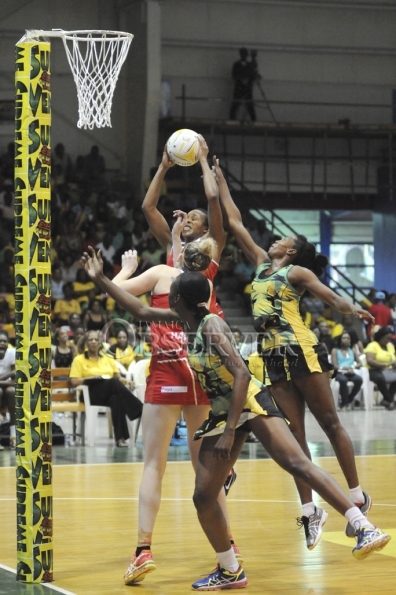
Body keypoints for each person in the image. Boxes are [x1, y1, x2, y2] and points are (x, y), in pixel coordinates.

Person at [80, 251, 391, 589]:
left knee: (297, 463)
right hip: (224, 410)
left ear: (180, 297)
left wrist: (230, 431)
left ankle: (362, 526)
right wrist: (100, 280)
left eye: (172, 291)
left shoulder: (211, 324)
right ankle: (229, 568)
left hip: (250, 404)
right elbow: (138, 309)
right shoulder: (185, 319)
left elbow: (241, 374)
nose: (167, 293)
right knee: (203, 495)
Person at [212, 158, 375, 549]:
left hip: (301, 350)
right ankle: (310, 511)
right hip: (272, 357)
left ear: (292, 249)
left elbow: (332, 297)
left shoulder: (296, 273)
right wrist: (218, 183)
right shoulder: (260, 264)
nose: (272, 241)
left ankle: (356, 495)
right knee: (296, 436)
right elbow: (235, 223)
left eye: (281, 241)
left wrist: (354, 310)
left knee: (331, 424)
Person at [109, 237, 238, 584]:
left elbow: (116, 291)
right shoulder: (205, 283)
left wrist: (127, 270)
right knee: (206, 472)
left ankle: (142, 551)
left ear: (180, 253)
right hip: (199, 378)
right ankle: (229, 548)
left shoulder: (160, 273)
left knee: (154, 465)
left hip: (166, 374)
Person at [141, 135, 226, 318]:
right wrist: (163, 167)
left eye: (194, 218)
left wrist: (202, 159)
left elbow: (212, 198)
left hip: (200, 322)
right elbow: (148, 208)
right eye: (187, 217)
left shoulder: (212, 245)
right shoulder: (173, 244)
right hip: (170, 320)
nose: (188, 220)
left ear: (206, 229)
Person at [69, 330, 142, 446]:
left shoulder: (107, 358)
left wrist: (127, 381)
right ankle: (138, 407)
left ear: (100, 342)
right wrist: (91, 378)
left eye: (96, 339)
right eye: (90, 340)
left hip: (108, 391)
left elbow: (117, 377)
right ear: (86, 343)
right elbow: (73, 382)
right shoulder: (79, 359)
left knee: (116, 398)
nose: (93, 342)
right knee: (113, 382)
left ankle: (120, 439)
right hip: (90, 393)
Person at [364, 326, 396, 410]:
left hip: (387, 370)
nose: (388, 340)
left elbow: (394, 358)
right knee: (380, 378)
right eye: (386, 338)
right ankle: (390, 400)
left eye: (389, 338)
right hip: (373, 370)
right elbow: (370, 361)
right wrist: (386, 364)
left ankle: (386, 400)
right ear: (381, 336)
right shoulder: (372, 345)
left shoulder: (390, 346)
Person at [331, 332, 363, 410]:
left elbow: (360, 363)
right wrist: (343, 368)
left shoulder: (353, 350)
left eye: (348, 338)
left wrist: (352, 367)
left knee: (359, 379)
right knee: (343, 380)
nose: (346, 340)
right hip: (339, 372)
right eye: (344, 338)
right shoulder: (335, 350)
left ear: (350, 340)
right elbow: (334, 365)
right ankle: (344, 403)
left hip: (350, 371)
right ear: (340, 340)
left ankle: (348, 399)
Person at [229, 48, 257, 121]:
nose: (243, 55)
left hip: (247, 88)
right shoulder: (237, 64)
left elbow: (252, 75)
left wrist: (249, 79)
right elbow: (234, 75)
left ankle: (253, 120)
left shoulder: (249, 65)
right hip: (239, 87)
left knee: (249, 105)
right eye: (242, 54)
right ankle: (232, 120)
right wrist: (242, 79)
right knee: (235, 104)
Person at [0, 331, 15, 450]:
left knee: (12, 391)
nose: (2, 343)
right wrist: (8, 375)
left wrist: (4, 378)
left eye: (4, 341)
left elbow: (16, 380)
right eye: (0, 341)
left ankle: (14, 436)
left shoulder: (12, 353)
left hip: (7, 391)